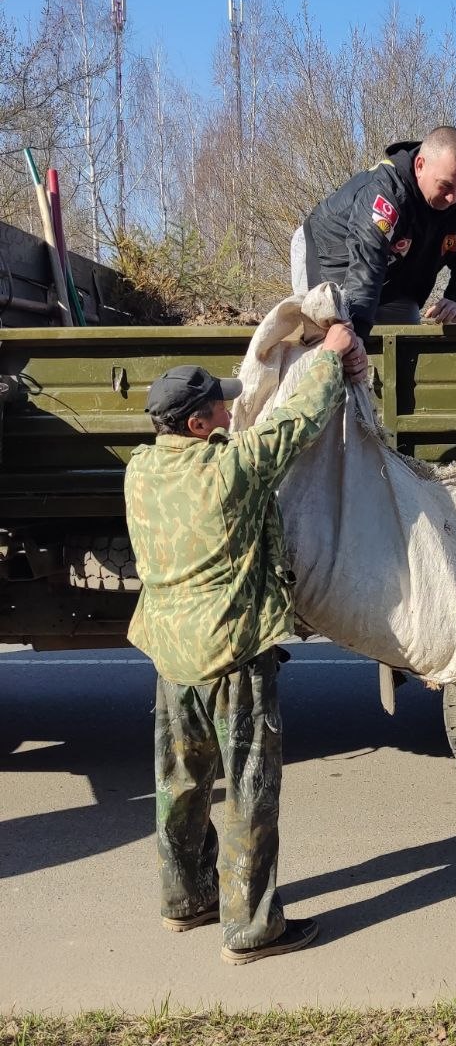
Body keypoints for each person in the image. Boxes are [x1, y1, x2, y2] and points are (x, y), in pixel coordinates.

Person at [124, 321, 365, 964]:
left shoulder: (141, 473)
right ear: (199, 425)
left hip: (172, 657)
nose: (233, 408)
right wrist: (330, 357)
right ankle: (253, 930)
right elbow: (294, 428)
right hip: (232, 657)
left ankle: (186, 900)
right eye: (221, 406)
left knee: (181, 786)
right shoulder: (229, 471)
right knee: (250, 793)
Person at [291, 125, 456, 336]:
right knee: (331, 329)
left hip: (393, 271)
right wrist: (354, 336)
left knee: (405, 344)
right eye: (445, 186)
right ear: (420, 166)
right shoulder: (386, 192)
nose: (453, 198)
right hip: (330, 249)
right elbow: (367, 262)